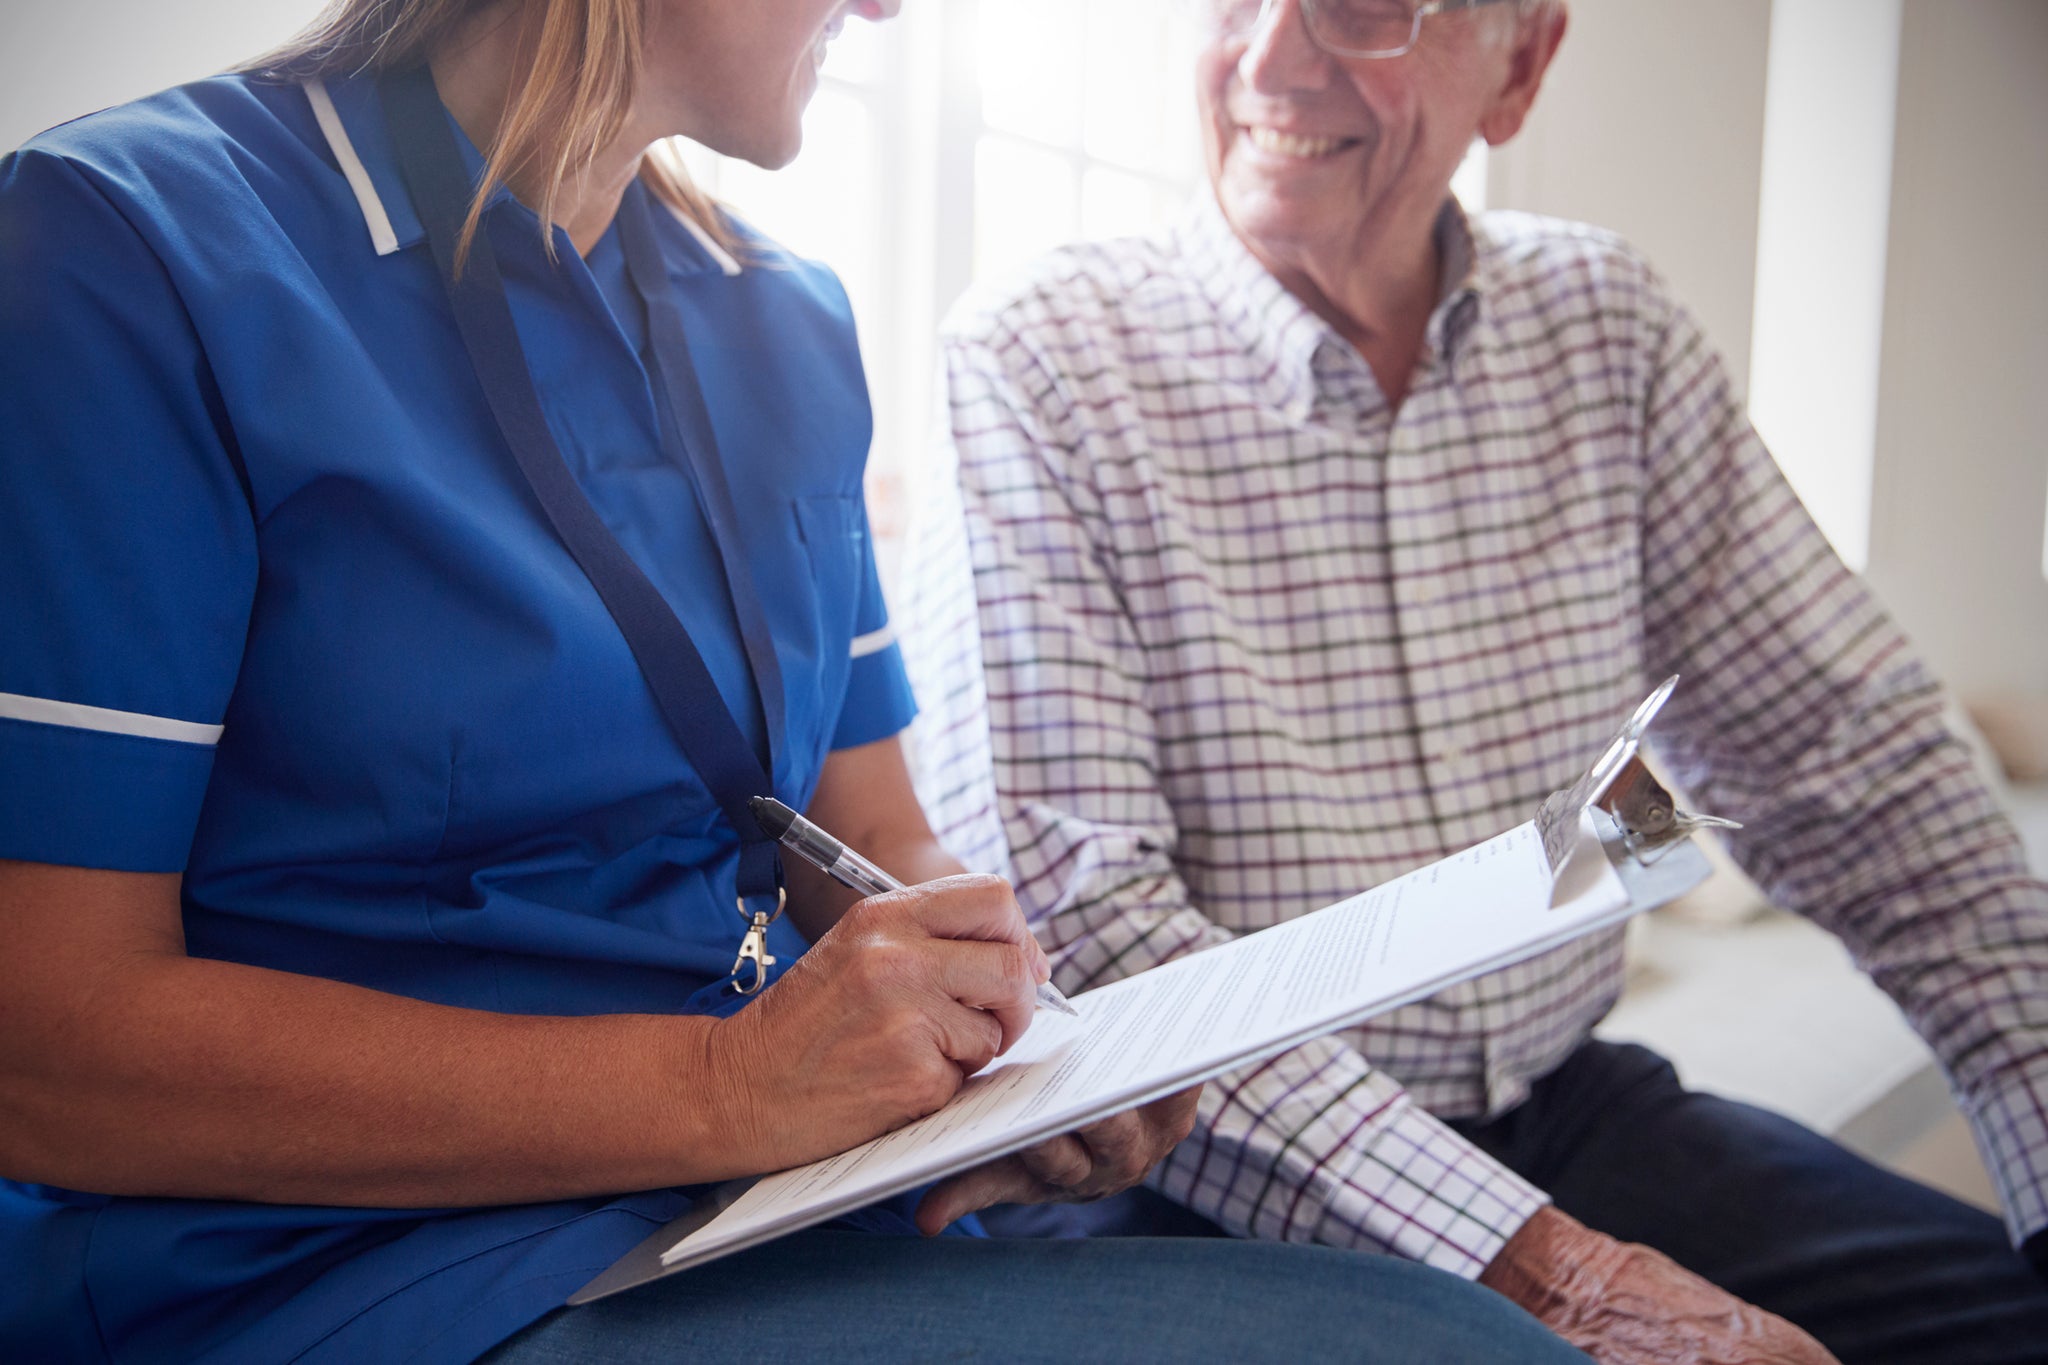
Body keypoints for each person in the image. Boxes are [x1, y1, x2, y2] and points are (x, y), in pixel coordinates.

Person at [0, 1, 1604, 1362]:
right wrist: (723, 1085)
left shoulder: (783, 320)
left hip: (754, 1214)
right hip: (346, 1276)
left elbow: (875, 844)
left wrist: (1031, 1045)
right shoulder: (125, 251)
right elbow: (47, 1049)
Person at [900, 0, 2048, 1362]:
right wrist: (1567, 1283)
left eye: (1365, 9)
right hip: (1178, 1183)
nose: (1268, 62)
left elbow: (1866, 775)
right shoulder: (1037, 362)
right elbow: (1087, 938)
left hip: (1564, 1111)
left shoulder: (1609, 332)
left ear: (1525, 62)